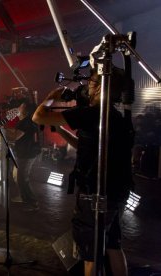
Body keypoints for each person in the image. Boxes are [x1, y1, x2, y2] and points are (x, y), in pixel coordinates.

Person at [32, 68, 133, 276]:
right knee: (113, 245)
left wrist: (52, 96)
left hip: (95, 193)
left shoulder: (93, 113)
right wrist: (61, 130)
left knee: (91, 255)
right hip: (117, 192)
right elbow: (86, 146)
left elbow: (38, 116)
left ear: (101, 88)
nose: (88, 86)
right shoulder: (113, 116)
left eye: (93, 83)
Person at [8, 98, 41, 210]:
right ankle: (23, 196)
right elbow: (15, 132)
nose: (18, 108)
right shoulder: (24, 121)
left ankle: (32, 203)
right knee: (16, 176)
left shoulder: (27, 122)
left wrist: (0, 131)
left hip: (27, 154)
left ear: (26, 110)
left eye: (21, 106)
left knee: (22, 178)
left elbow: (15, 136)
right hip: (23, 152)